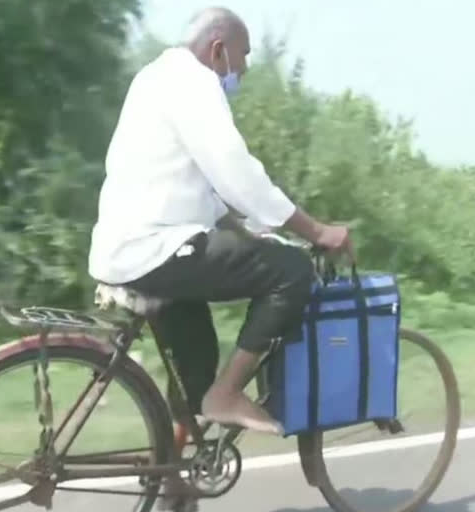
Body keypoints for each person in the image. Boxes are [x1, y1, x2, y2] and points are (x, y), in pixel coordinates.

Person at [88, 6, 353, 510]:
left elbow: (206, 195)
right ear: (218, 50)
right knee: (291, 273)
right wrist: (317, 231)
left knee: (195, 367)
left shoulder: (156, 78)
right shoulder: (194, 85)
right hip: (155, 250)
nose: (245, 70)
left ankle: (173, 491)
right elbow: (238, 175)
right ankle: (228, 396)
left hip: (136, 248)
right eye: (244, 56)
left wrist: (259, 233)